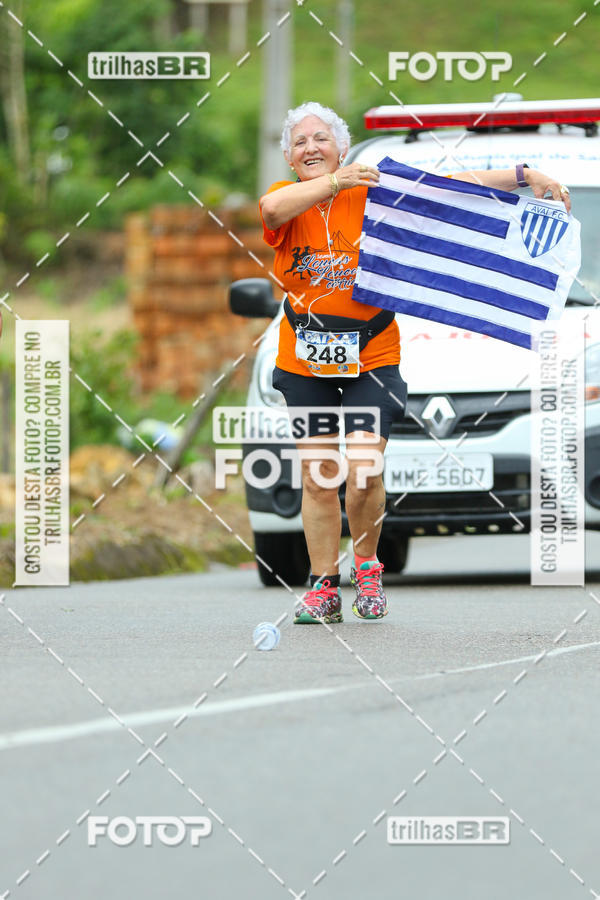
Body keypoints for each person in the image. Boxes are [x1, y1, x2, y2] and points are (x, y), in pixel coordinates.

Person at [259, 101, 570, 624]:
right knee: (318, 476)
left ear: (340, 147)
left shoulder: (377, 192)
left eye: (322, 139)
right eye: (300, 143)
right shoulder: (285, 201)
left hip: (372, 355)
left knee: (361, 471)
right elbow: (269, 214)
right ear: (291, 157)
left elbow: (450, 185)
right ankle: (321, 587)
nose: (311, 148)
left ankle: (367, 567)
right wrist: (335, 184)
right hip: (306, 359)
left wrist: (524, 174)